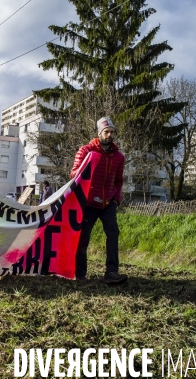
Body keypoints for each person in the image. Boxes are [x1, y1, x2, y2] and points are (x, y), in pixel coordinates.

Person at [70, 117, 127, 284]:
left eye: (112, 132)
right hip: (89, 202)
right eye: (106, 132)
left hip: (108, 202)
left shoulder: (119, 157)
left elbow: (119, 180)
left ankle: (111, 272)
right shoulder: (85, 151)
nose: (110, 135)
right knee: (83, 237)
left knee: (113, 234)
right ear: (99, 133)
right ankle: (79, 274)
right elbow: (73, 174)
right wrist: (87, 164)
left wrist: (116, 200)